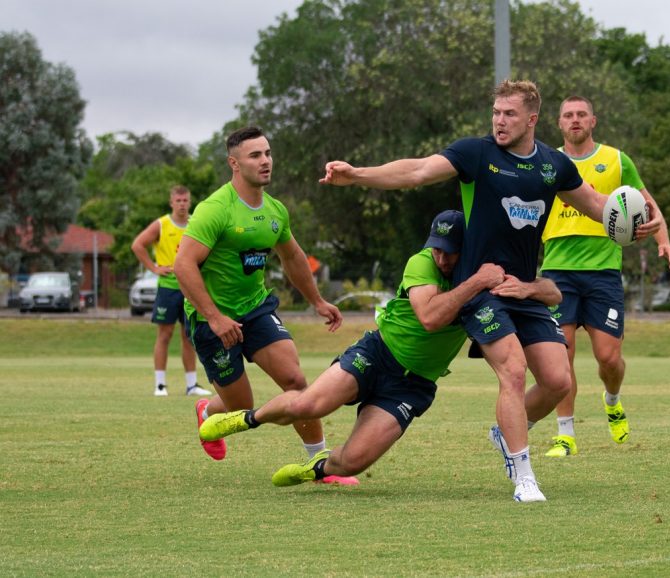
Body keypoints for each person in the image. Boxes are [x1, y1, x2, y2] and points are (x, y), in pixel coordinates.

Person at [317, 80, 662, 502]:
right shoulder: (476, 154)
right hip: (480, 289)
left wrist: (629, 223)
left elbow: (595, 205)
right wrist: (358, 175)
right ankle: (524, 475)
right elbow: (418, 171)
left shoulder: (554, 165)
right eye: (496, 112)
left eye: (509, 114)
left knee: (557, 380)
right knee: (513, 371)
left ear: (531, 119)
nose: (499, 120)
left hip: (524, 290)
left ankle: (506, 432)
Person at [197, 210, 562, 495]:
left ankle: (316, 469)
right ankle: (247, 419)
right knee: (309, 405)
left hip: (413, 387)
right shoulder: (423, 263)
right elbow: (431, 317)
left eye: (450, 253)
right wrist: (477, 283)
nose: (441, 258)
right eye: (436, 247)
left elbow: (554, 293)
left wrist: (526, 288)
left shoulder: (482, 269)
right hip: (377, 355)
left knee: (353, 461)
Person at [173, 126, 352, 484]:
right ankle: (208, 409)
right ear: (234, 164)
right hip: (213, 319)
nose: (266, 161)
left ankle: (320, 465)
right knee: (240, 407)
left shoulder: (275, 211)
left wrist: (316, 300)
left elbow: (293, 257)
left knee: (295, 380)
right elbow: (183, 265)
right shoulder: (215, 210)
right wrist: (214, 317)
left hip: (256, 310)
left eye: (268, 153)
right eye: (255, 155)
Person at [536, 95, 670, 458]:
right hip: (557, 272)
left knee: (608, 358)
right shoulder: (546, 161)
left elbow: (648, 205)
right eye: (568, 115)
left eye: (581, 114)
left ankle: (612, 400)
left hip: (603, 272)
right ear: (559, 123)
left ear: (593, 121)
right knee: (561, 356)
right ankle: (565, 436)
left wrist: (664, 240)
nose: (575, 120)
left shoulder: (617, 160)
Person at [131, 185, 210, 397]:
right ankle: (160, 385)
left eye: (186, 200)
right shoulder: (162, 224)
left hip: (191, 289)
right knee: (164, 335)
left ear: (190, 202)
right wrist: (154, 268)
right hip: (168, 288)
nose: (182, 204)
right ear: (171, 202)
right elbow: (137, 245)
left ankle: (192, 385)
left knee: (189, 336)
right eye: (178, 201)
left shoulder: (197, 223)